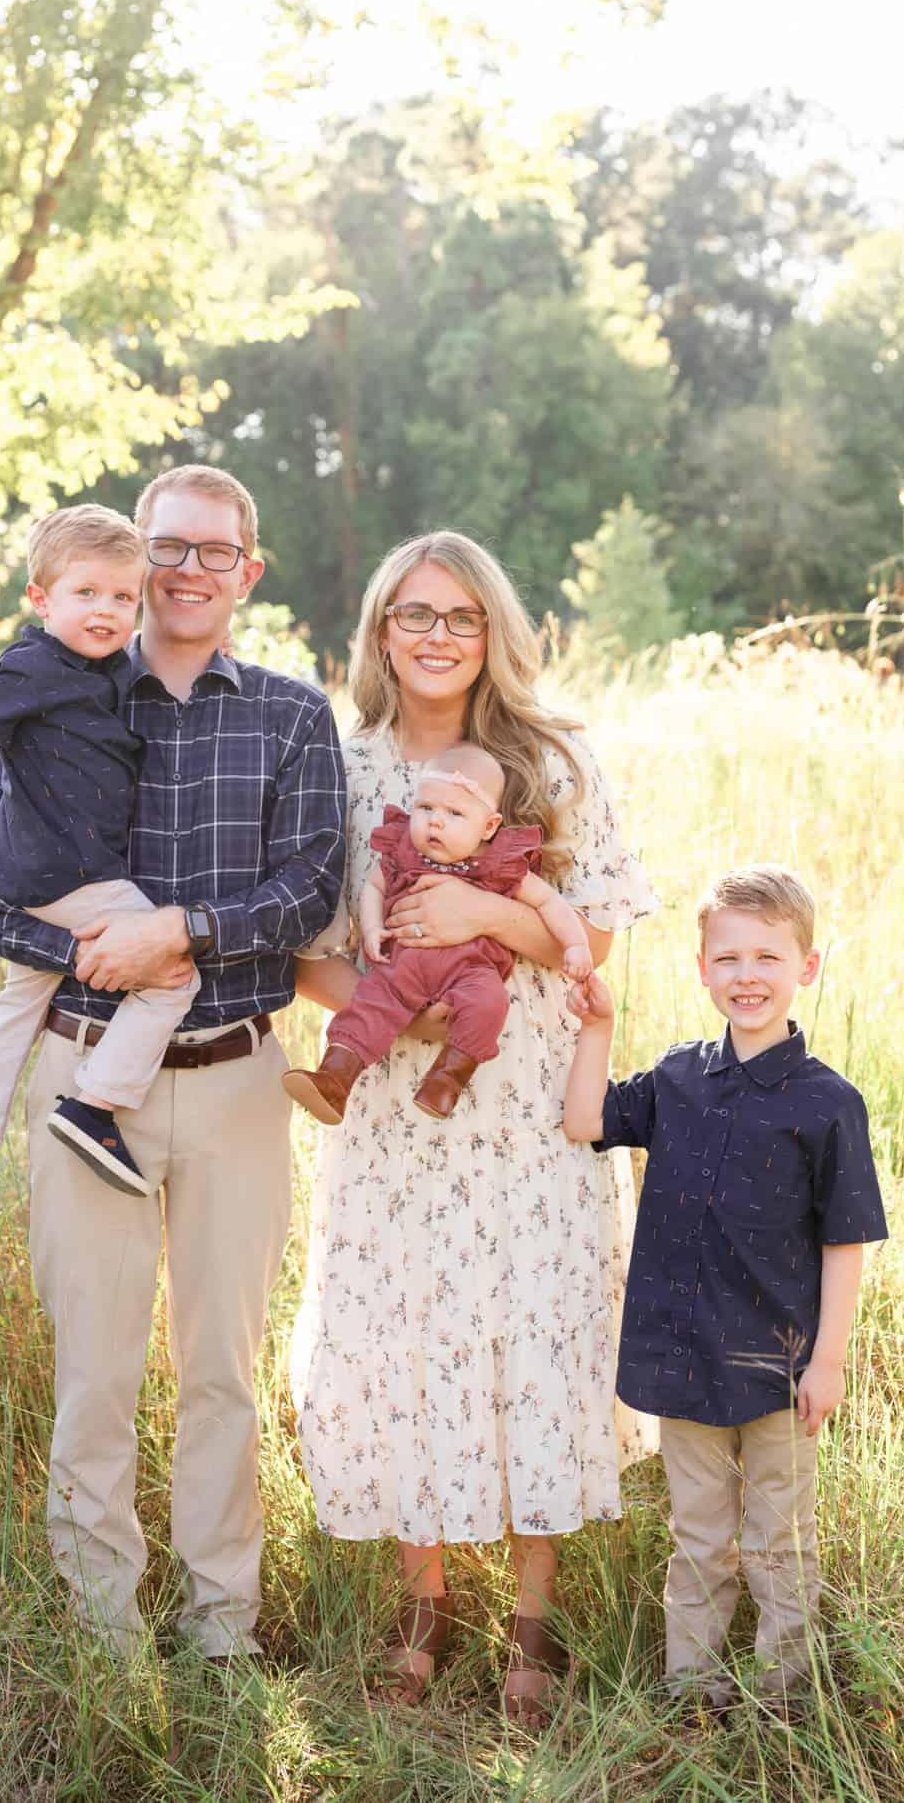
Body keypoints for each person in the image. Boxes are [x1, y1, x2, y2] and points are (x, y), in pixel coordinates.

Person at [0, 464, 347, 1660]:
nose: (184, 571)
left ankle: (223, 1626)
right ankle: (101, 1638)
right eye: (165, 546)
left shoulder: (286, 714)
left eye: (213, 551)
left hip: (234, 1081)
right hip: (82, 1079)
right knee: (95, 1372)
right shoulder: (56, 693)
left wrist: (179, 933)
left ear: (247, 571)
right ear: (133, 556)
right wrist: (86, 955)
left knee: (221, 1371)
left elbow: (311, 888)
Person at [289, 532, 658, 1728]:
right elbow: (311, 955)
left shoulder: (549, 759)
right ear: (380, 632)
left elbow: (593, 935)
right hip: (396, 1106)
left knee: (531, 1322)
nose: (437, 635)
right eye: (413, 614)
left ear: (493, 630)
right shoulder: (338, 769)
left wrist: (482, 911)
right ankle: (421, 1602)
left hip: (524, 1103)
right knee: (404, 1325)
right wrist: (394, 1020)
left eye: (460, 616)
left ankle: (534, 1618)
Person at [563, 865, 888, 1711]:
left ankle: (785, 1698)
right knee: (700, 1534)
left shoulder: (828, 1103)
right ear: (701, 968)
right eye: (730, 958)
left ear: (805, 968)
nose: (749, 976)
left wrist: (830, 1362)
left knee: (779, 1538)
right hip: (682, 1354)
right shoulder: (676, 1079)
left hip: (780, 1365)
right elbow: (586, 1122)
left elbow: (845, 1241)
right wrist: (599, 1026)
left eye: (769, 958)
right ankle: (692, 1694)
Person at [0, 505, 201, 1230]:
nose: (106, 611)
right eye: (86, 594)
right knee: (173, 971)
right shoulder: (33, 664)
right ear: (42, 599)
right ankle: (94, 1099)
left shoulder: (105, 669)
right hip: (68, 875)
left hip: (36, 879)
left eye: (122, 598)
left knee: (20, 1000)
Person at [282, 742, 593, 1124]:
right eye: (426, 808)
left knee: (488, 1003)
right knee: (370, 1003)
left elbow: (549, 903)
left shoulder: (497, 863)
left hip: (470, 971)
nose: (435, 822)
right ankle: (334, 1078)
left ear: (489, 826)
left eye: (455, 813)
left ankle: (447, 1080)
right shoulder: (403, 851)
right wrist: (374, 927)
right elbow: (374, 888)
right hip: (402, 967)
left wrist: (575, 944)